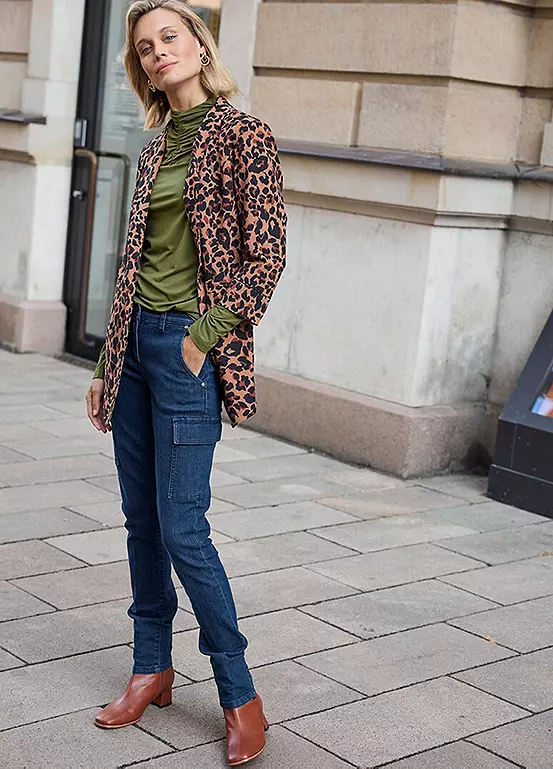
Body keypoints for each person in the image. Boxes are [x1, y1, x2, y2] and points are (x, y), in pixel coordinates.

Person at [85, 1, 286, 765]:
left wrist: (202, 339)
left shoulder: (242, 134)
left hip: (186, 349)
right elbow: (131, 262)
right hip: (135, 346)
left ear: (199, 46)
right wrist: (106, 363)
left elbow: (266, 256)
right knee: (141, 521)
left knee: (183, 528)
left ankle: (238, 690)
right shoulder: (154, 145)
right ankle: (151, 668)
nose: (157, 51)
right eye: (144, 46)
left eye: (169, 37)